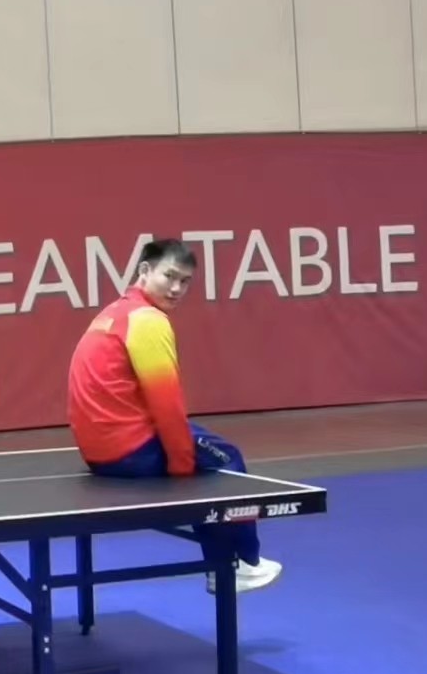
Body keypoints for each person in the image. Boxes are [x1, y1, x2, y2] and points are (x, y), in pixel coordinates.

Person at [66, 238, 283, 593]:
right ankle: (243, 562)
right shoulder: (148, 321)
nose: (177, 288)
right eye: (169, 276)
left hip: (98, 454)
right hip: (132, 452)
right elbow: (167, 407)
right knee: (227, 461)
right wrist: (182, 470)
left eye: (185, 281)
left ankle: (219, 565)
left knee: (202, 464)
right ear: (145, 270)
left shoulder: (112, 314)